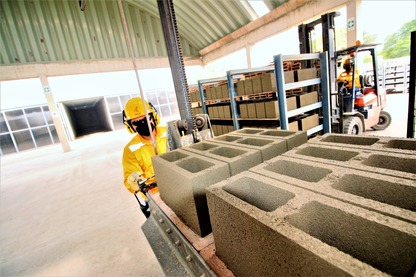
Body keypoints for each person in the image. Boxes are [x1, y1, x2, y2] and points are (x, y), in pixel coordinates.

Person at [122, 97, 167, 218]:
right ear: (130, 126)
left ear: (153, 117)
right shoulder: (130, 149)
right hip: (156, 196)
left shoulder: (169, 131)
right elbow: (130, 178)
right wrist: (133, 181)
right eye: (136, 123)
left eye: (146, 119)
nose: (142, 124)